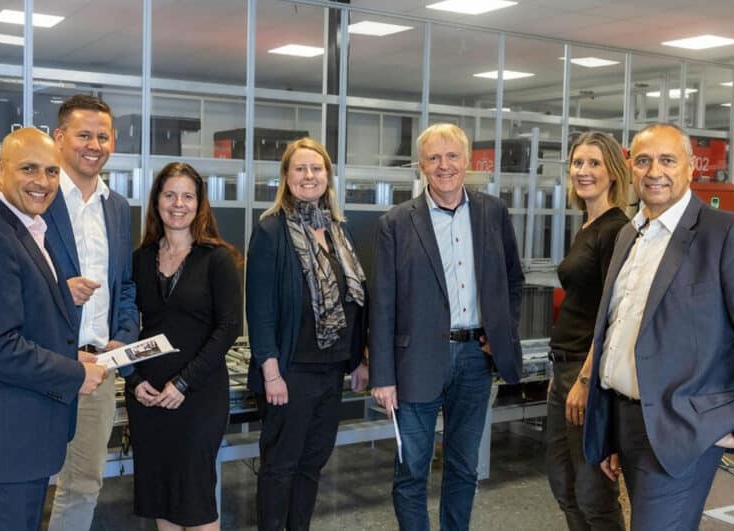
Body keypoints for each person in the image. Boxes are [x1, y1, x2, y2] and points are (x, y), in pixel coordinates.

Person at [583, 123, 734, 530]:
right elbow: (618, 329)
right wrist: (610, 430)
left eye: (668, 160)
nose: (655, 172)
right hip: (626, 418)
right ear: (630, 169)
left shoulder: (726, 234)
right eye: (644, 161)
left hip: (683, 426)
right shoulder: (629, 235)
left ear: (690, 167)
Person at [0, 127, 106, 531]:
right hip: (4, 445)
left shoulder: (25, 227)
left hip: (19, 442)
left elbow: (25, 324)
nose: (42, 181)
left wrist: (71, 355)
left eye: (52, 171)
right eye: (29, 169)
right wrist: (74, 373)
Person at [369, 123, 524, 531]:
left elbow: (513, 280)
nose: (444, 165)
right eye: (434, 158)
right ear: (421, 166)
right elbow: (381, 303)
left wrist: (502, 335)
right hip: (415, 361)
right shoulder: (396, 223)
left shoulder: (493, 212)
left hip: (475, 359)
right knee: (411, 470)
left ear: (468, 161)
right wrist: (383, 375)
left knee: (463, 467)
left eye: (452, 155)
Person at [246, 137, 370, 531]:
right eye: (299, 168)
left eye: (316, 168)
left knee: (312, 463)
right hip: (289, 372)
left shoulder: (338, 232)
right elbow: (260, 311)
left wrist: (360, 358)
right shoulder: (271, 231)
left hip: (332, 370)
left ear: (328, 177)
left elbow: (355, 300)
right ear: (286, 176)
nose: (309, 175)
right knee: (280, 466)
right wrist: (271, 373)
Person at [125, 162, 242, 531]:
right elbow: (128, 327)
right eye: (170, 195)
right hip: (149, 397)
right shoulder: (140, 259)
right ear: (157, 201)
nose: (178, 204)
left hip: (198, 396)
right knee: (161, 495)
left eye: (188, 196)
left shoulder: (217, 259)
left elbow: (229, 328)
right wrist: (134, 380)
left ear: (199, 203)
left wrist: (183, 383)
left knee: (195, 498)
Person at [44, 94, 140, 531]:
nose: (94, 145)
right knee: (27, 481)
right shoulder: (39, 197)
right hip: (43, 363)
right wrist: (59, 292)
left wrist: (123, 335)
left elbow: (126, 285)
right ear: (59, 137)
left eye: (103, 137)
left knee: (83, 484)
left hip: (98, 370)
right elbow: (13, 282)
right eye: (84, 135)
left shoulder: (116, 207)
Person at [545, 132, 628, 531]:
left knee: (594, 493)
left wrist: (584, 378)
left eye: (594, 163)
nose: (584, 171)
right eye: (578, 163)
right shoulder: (588, 225)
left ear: (613, 172)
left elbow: (613, 313)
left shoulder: (616, 230)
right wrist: (560, 373)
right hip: (565, 368)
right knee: (563, 485)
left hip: (586, 371)